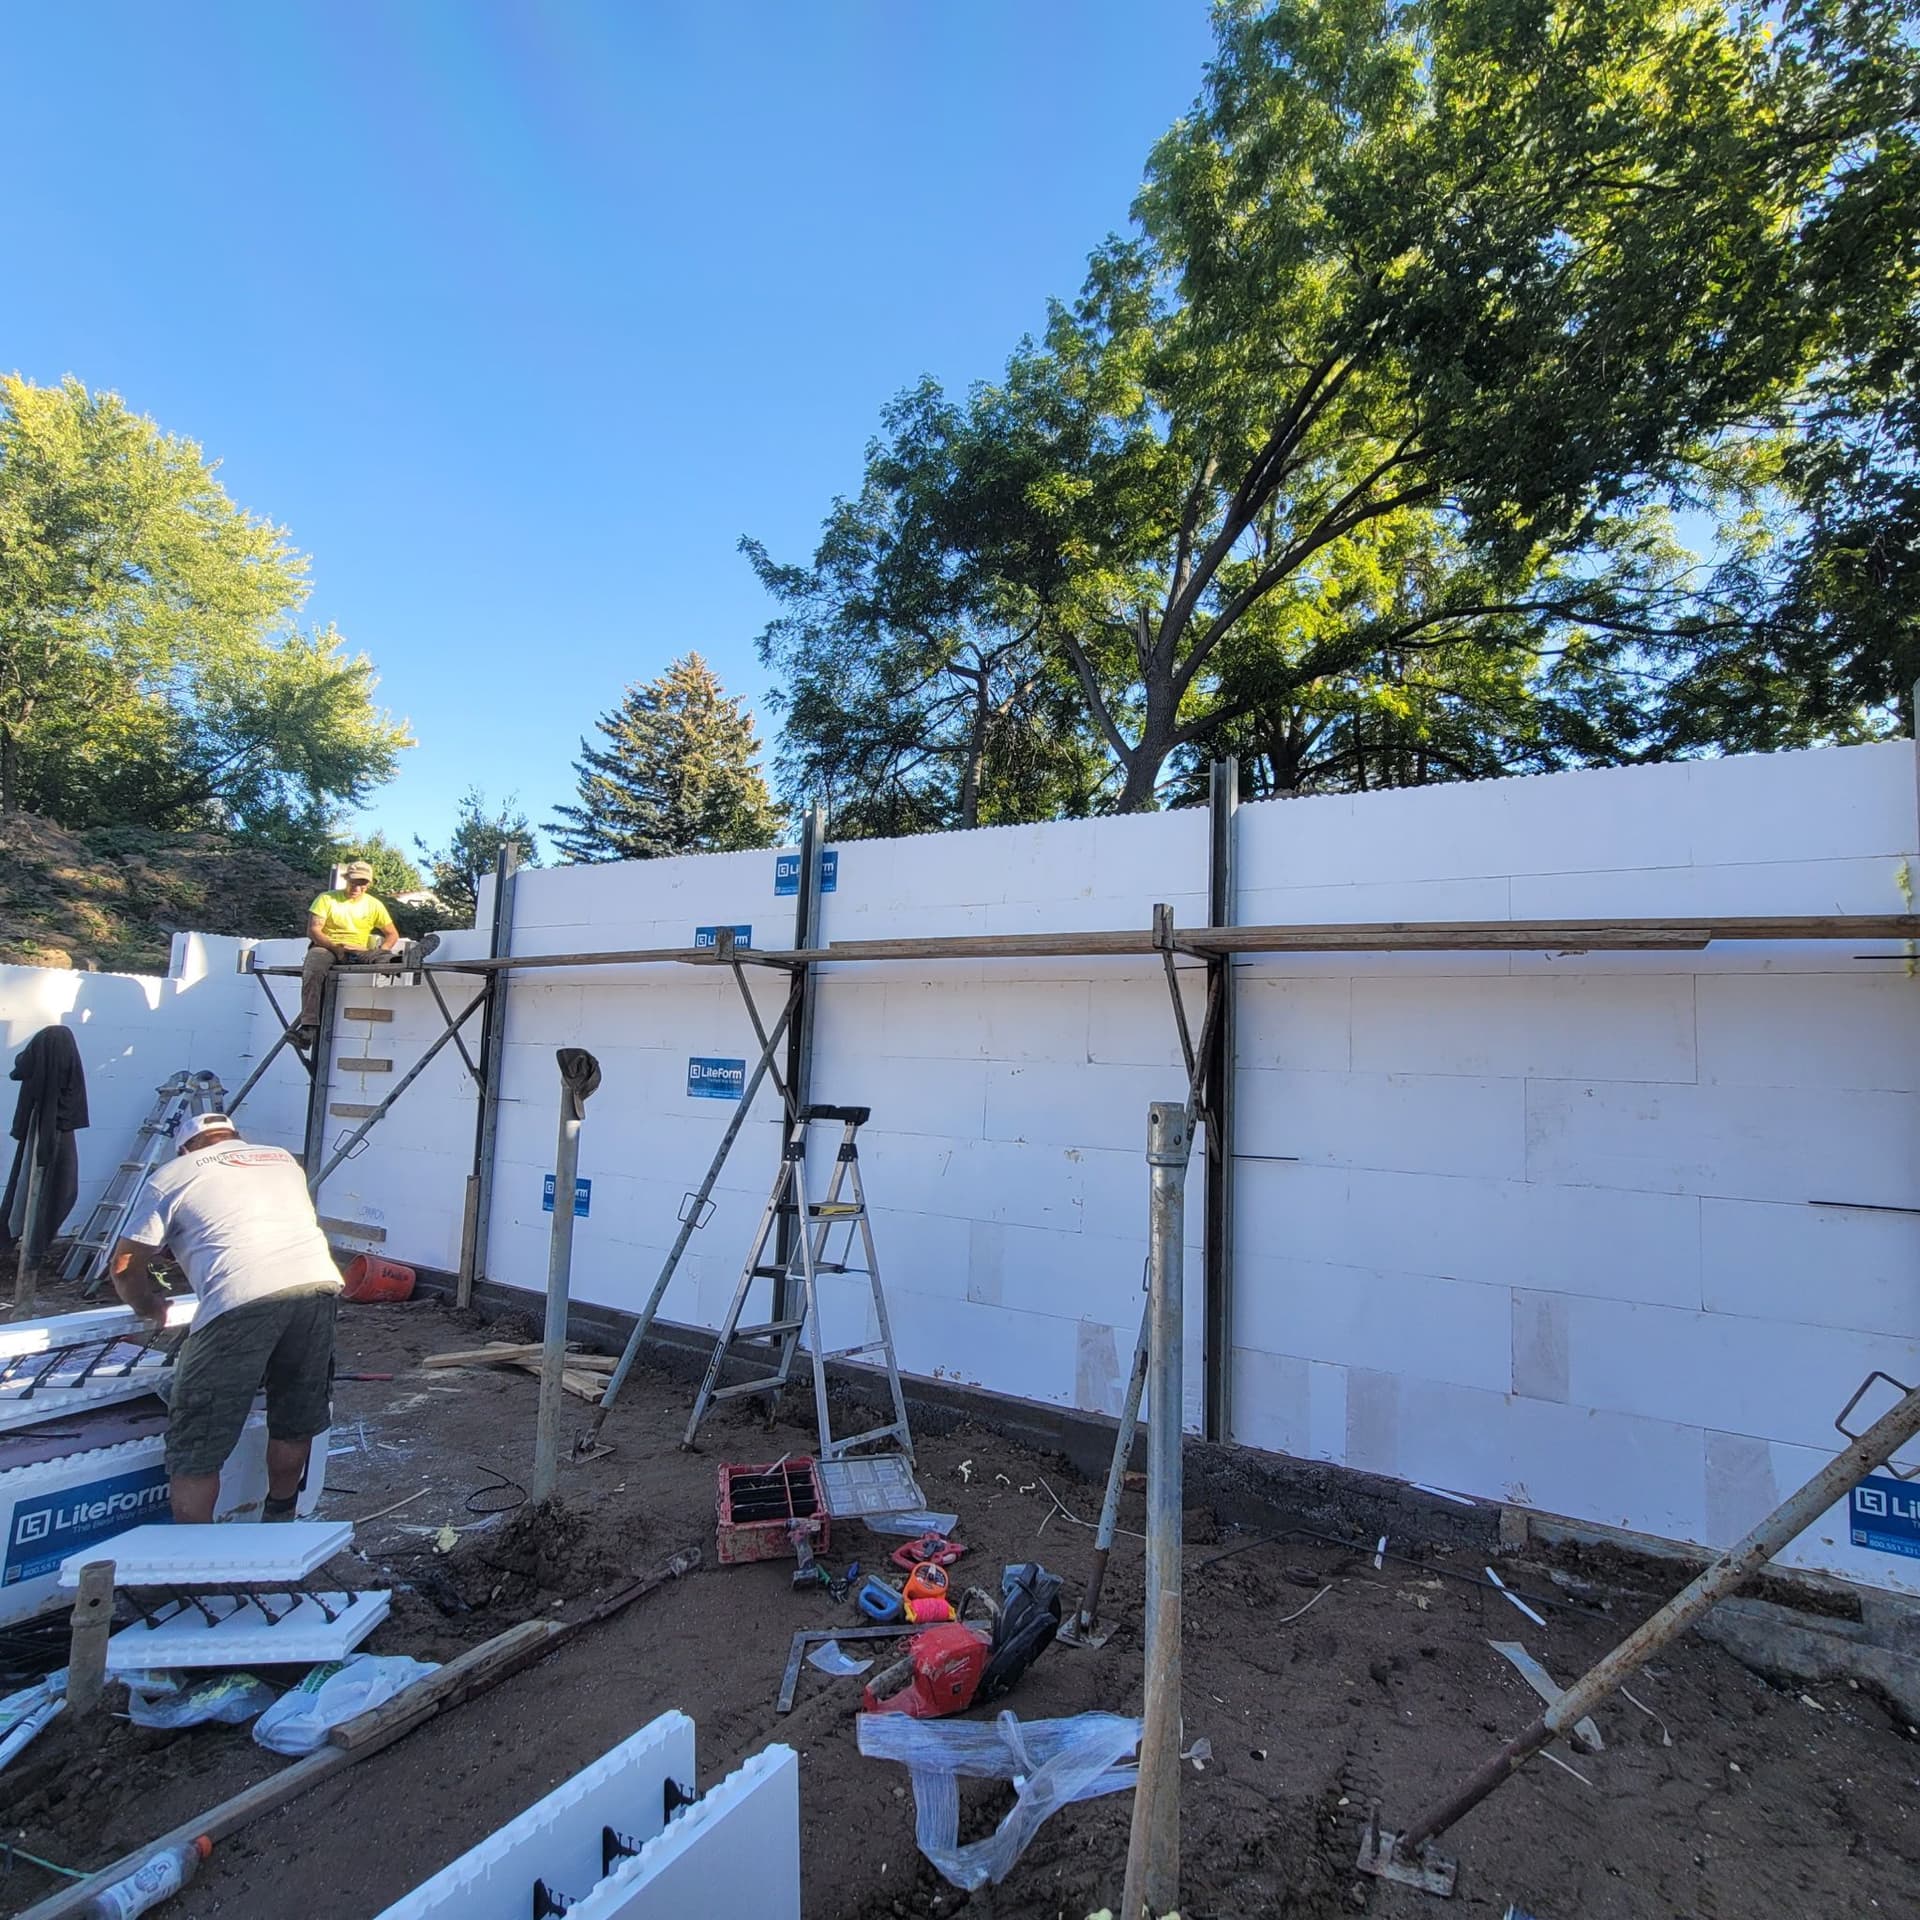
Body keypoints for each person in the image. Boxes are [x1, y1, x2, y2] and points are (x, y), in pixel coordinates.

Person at [109, 1113, 341, 1523]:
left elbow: (125, 1265)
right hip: (316, 1286)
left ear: (185, 1148)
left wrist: (149, 1307)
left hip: (240, 1297)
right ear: (235, 1137)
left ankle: (194, 1553)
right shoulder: (281, 1159)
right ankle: (280, 1521)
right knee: (294, 1416)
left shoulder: (173, 1174)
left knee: (198, 1439)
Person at [295, 859, 402, 1048]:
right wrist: (336, 947)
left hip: (357, 948)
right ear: (346, 880)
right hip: (326, 946)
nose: (356, 887)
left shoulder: (374, 905)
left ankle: (399, 961)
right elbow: (314, 930)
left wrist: (383, 949)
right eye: (353, 882)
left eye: (362, 883)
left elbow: (392, 934)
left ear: (368, 884)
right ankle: (308, 1027)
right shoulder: (327, 899)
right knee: (313, 970)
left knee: (380, 956)